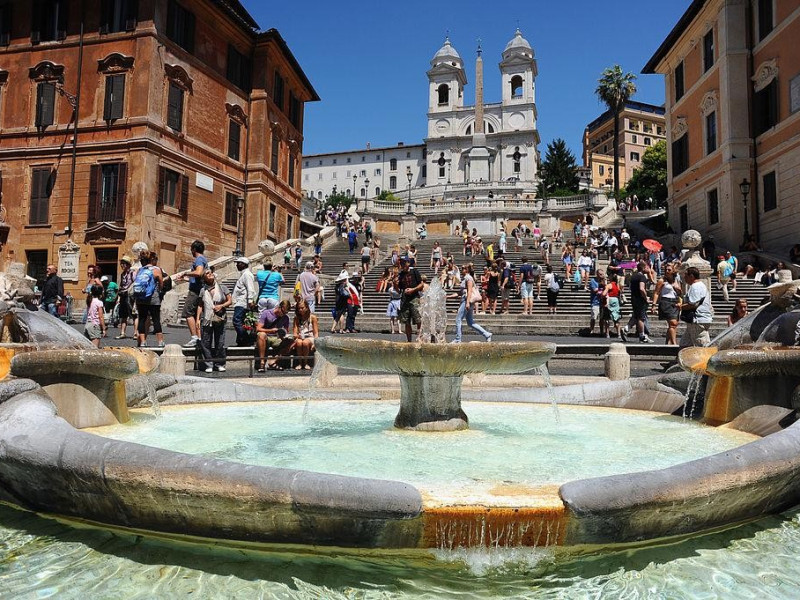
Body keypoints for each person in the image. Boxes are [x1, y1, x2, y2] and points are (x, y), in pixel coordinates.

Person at [196, 270, 231, 373]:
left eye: (210, 272)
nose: (210, 273)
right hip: (207, 318)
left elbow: (230, 301)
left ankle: (219, 363)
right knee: (206, 342)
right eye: (207, 273)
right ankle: (209, 363)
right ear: (204, 278)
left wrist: (221, 306)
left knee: (220, 342)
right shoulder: (203, 290)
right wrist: (198, 319)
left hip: (220, 318)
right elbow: (200, 305)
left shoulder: (222, 287)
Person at [449, 263, 492, 343]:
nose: (461, 270)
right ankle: (486, 334)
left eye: (463, 268)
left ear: (467, 270)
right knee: (470, 322)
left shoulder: (468, 278)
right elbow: (459, 293)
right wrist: (448, 297)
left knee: (458, 319)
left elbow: (469, 291)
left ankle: (458, 339)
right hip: (466, 300)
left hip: (466, 301)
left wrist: (467, 303)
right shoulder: (465, 278)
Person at [180, 240, 208, 347]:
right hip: (198, 289)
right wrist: (186, 279)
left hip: (195, 292)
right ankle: (199, 338)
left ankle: (194, 338)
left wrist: (186, 272)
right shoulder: (203, 259)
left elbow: (199, 272)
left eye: (191, 249)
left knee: (187, 313)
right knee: (197, 316)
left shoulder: (199, 259)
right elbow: (197, 277)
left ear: (194, 249)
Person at [134, 251, 164, 348]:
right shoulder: (156, 270)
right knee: (156, 319)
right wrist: (159, 291)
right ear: (152, 260)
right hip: (153, 298)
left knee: (142, 319)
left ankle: (143, 342)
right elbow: (161, 284)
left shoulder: (140, 270)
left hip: (141, 297)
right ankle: (160, 342)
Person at [679, 266, 713, 347]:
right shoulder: (699, 285)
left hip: (697, 319)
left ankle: (707, 359)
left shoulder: (695, 287)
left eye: (686, 275)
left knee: (701, 344)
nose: (684, 277)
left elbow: (693, 304)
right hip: (698, 319)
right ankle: (683, 358)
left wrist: (680, 306)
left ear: (691, 276)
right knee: (685, 344)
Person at [256, 300, 292, 372]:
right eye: (283, 312)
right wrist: (270, 330)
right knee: (261, 335)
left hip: (276, 337)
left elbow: (286, 331)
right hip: (266, 336)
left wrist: (283, 334)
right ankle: (262, 362)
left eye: (286, 313)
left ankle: (273, 361)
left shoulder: (285, 318)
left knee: (292, 341)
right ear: (279, 307)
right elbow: (258, 328)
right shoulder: (266, 313)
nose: (284, 314)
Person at [231, 256, 258, 347]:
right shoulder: (244, 274)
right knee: (241, 322)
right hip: (240, 302)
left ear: (243, 264)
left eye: (238, 263)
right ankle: (241, 341)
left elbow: (251, 288)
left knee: (236, 321)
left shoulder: (247, 274)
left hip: (242, 302)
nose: (237, 265)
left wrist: (250, 300)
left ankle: (247, 339)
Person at [397, 257, 423, 342]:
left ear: (408, 263)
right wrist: (394, 284)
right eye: (401, 263)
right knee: (406, 321)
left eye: (404, 263)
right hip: (405, 299)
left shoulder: (414, 271)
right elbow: (399, 290)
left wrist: (413, 289)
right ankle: (409, 341)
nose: (402, 264)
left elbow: (421, 285)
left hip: (414, 298)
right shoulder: (400, 275)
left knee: (418, 319)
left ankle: (419, 338)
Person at [628, 261, 654, 343]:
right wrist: (646, 297)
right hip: (640, 299)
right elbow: (641, 288)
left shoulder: (633, 276)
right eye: (647, 267)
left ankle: (627, 328)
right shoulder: (642, 277)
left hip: (633, 298)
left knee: (637, 316)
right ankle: (642, 335)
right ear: (643, 268)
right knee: (641, 318)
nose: (648, 269)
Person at [654, 270, 681, 345]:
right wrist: (654, 304)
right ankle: (674, 344)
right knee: (673, 323)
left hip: (675, 302)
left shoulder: (676, 280)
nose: (667, 271)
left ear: (673, 271)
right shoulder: (662, 281)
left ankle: (667, 343)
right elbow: (656, 292)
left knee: (674, 325)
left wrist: (677, 289)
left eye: (669, 270)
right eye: (666, 269)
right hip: (666, 302)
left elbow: (680, 293)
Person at [291, 299, 318, 370]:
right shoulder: (296, 318)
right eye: (299, 308)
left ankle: (305, 362)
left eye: (302, 308)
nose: (300, 310)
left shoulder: (313, 317)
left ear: (306, 308)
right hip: (300, 337)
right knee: (299, 343)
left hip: (310, 337)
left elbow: (316, 332)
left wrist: (316, 342)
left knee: (305, 342)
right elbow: (295, 332)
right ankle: (300, 362)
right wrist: (296, 336)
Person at [115, 255, 135, 339]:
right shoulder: (122, 274)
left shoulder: (132, 273)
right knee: (123, 315)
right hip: (123, 295)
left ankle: (135, 333)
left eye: (124, 263)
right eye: (121, 263)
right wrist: (118, 297)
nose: (122, 265)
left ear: (128, 264)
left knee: (134, 315)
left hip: (130, 296)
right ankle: (122, 333)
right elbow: (121, 285)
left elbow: (135, 282)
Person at [601, 273, 623, 339]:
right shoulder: (618, 285)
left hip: (609, 300)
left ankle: (607, 334)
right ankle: (618, 333)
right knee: (616, 318)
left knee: (607, 318)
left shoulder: (609, 285)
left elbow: (604, 294)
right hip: (616, 301)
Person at [588, 270, 606, 336]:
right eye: (600, 274)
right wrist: (601, 287)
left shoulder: (604, 281)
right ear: (597, 274)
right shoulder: (593, 281)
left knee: (602, 318)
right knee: (594, 317)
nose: (601, 276)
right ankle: (591, 330)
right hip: (595, 302)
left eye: (602, 274)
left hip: (602, 302)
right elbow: (595, 290)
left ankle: (601, 331)